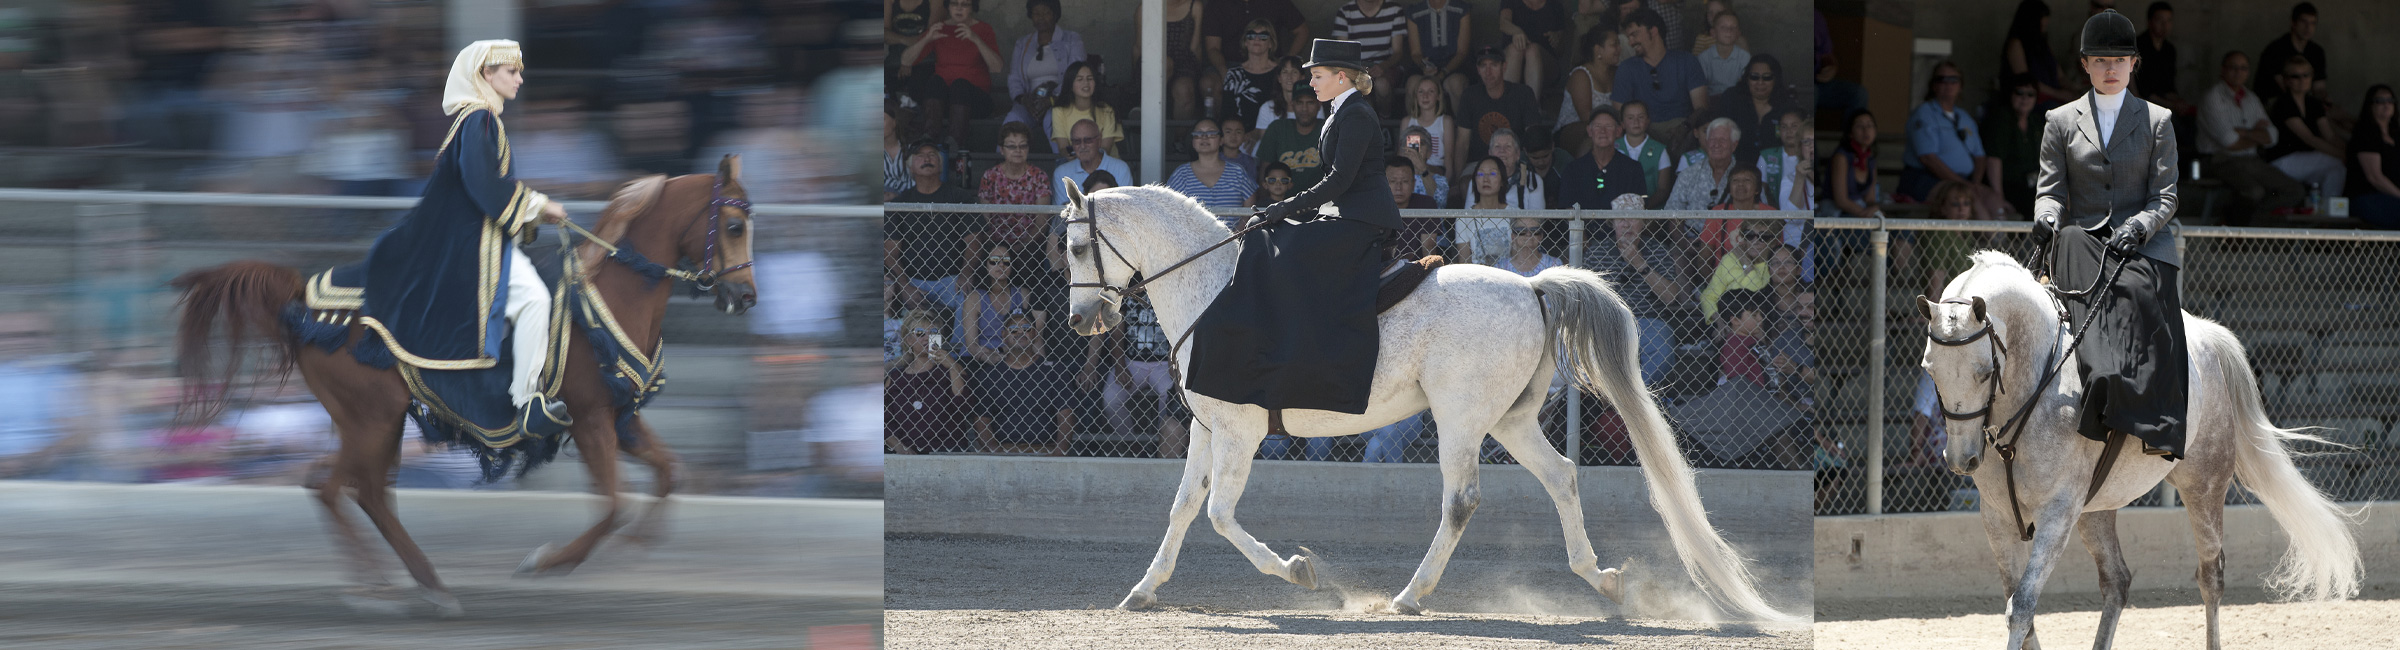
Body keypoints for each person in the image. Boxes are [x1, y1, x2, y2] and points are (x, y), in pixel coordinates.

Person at [362, 40, 571, 435]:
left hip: (475, 241)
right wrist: (539, 205)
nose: (520, 79)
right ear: (485, 75)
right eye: (511, 71)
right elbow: (483, 184)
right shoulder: (480, 119)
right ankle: (527, 402)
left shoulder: (477, 120)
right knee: (535, 298)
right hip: (471, 249)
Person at [1188, 39, 1403, 417]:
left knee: (1279, 248)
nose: (1311, 84)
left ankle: (1291, 357)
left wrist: (1286, 206)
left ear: (1341, 76)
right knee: (1260, 229)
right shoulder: (1340, 110)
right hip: (1343, 213)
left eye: (1317, 76)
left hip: (1361, 221)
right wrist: (1287, 210)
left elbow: (1339, 181)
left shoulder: (1355, 114)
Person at [2031, 9, 2184, 458]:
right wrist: (2046, 216)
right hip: (2083, 238)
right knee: (2073, 241)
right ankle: (2098, 382)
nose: (2111, 68)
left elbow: (2166, 197)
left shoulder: (2157, 120)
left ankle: (2156, 423)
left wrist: (2138, 226)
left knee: (2138, 292)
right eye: (2100, 60)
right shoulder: (2059, 120)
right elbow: (2051, 191)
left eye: (2119, 60)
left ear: (2134, 63)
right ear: (2085, 65)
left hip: (2142, 242)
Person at [2197, 51, 2302, 224]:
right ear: (2223, 70)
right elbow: (2229, 141)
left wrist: (2243, 133)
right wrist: (2256, 135)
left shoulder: (2251, 98)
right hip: (2219, 160)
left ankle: (2249, 224)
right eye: (2233, 68)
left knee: (2295, 190)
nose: (2239, 72)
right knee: (2254, 191)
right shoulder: (2213, 97)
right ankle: (2236, 229)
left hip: (2251, 159)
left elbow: (2273, 137)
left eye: (2243, 68)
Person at [1082, 291, 1189, 458]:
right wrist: (1120, 366)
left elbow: (1177, 330)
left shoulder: (1167, 289)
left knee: (1168, 397)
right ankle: (1135, 448)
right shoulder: (1127, 290)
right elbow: (1117, 332)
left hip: (1163, 363)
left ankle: (1164, 446)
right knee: (1111, 400)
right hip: (1132, 361)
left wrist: (1173, 363)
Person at [1583, 217, 1687, 382]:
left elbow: (1670, 296)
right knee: (1585, 349)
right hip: (1607, 320)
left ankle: (1636, 398)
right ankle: (1605, 399)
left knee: (1662, 349)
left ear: (1644, 223)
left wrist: (1639, 263)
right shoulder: (1597, 251)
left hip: (1648, 320)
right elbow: (1585, 298)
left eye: (1633, 218)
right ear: (1613, 223)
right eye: (1620, 219)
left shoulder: (1658, 249)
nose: (1626, 224)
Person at [888, 141, 983, 311]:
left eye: (932, 154)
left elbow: (974, 241)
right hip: (913, 279)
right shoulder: (900, 204)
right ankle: (925, 339)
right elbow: (890, 252)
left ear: (940, 165)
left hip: (951, 280)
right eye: (920, 156)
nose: (927, 158)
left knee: (968, 298)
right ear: (910, 167)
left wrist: (966, 273)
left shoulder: (959, 197)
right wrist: (904, 285)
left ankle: (957, 340)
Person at [898, 0, 1002, 149]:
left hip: (975, 103)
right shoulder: (941, 28)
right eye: (954, 4)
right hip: (944, 103)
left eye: (965, 4)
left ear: (973, 7)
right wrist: (927, 38)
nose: (959, 8)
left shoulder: (983, 29)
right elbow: (905, 60)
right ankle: (929, 137)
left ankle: (954, 142)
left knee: (960, 84)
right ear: (948, 6)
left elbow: (997, 67)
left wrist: (976, 39)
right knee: (935, 81)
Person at [972, 311, 1077, 455]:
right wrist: (998, 455)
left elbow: (1065, 415)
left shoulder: (1055, 371)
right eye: (1013, 329)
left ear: (1034, 334)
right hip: (1004, 451)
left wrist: (1058, 454)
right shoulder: (989, 375)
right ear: (1004, 335)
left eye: (1026, 328)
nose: (1020, 332)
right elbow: (982, 421)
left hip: (1046, 451)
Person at [1613, 8, 1709, 154]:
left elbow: (1701, 109)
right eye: (1629, 37)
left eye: (1634, 35)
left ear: (1653, 31)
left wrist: (1684, 128)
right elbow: (1621, 114)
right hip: (1644, 129)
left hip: (1683, 126)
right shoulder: (1626, 69)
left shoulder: (1687, 61)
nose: (1631, 42)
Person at [1899, 61, 1990, 205]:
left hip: (1966, 181)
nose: (1948, 84)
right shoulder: (1924, 114)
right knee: (1969, 202)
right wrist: (1964, 185)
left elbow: (1979, 156)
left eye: (1953, 80)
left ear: (1961, 85)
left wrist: (1975, 183)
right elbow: (1928, 158)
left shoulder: (1965, 117)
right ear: (1933, 85)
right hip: (1926, 179)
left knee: (1997, 204)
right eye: (1941, 79)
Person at [885, 310, 972, 454]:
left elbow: (962, 404)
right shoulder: (896, 378)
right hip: (908, 453)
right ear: (909, 340)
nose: (927, 337)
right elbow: (884, 420)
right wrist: (900, 447)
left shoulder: (950, 370)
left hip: (947, 451)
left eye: (933, 332)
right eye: (920, 333)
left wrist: (951, 365)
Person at [2261, 55, 2343, 201]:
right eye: (2295, 76)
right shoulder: (2283, 103)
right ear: (2286, 80)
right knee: (2336, 162)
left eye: (2306, 75)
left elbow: (2330, 136)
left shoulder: (2314, 103)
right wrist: (2343, 156)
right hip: (2282, 161)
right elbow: (2309, 138)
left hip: (2306, 160)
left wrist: (2349, 152)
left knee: (2336, 171)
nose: (2302, 80)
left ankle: (2327, 216)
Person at [1001, 0, 1086, 130]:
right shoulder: (1022, 43)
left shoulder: (1072, 39)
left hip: (1061, 101)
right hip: (1029, 103)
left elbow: (1076, 74)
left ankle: (1062, 151)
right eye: (1036, 13)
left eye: (1046, 13)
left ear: (1055, 15)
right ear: (1031, 16)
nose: (1041, 18)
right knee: (1012, 122)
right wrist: (1024, 100)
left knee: (1054, 121)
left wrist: (1052, 100)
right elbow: (1014, 78)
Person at [958, 242, 1045, 367]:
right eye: (994, 261)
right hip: (979, 358)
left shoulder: (1024, 294)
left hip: (1016, 355)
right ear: (985, 264)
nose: (1001, 265)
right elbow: (972, 345)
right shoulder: (974, 298)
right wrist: (989, 356)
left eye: (1006, 261)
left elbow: (1034, 336)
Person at [1457, 46, 1543, 162]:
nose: (1488, 72)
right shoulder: (1469, 95)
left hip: (1515, 163)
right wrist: (1457, 178)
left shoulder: (1523, 94)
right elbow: (1462, 144)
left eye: (1494, 65)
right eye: (1483, 66)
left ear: (1504, 66)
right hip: (1479, 166)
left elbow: (1533, 138)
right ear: (1478, 69)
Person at [980, 122, 1054, 252]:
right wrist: (1000, 248)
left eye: (1023, 146)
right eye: (1011, 146)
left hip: (1030, 248)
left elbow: (1041, 223)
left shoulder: (1039, 177)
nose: (1018, 151)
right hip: (995, 246)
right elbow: (985, 220)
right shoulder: (990, 176)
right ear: (1002, 149)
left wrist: (1021, 247)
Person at [1559, 106, 1649, 210]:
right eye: (1597, 126)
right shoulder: (1573, 169)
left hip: (1621, 225)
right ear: (1589, 131)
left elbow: (1639, 207)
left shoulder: (1632, 168)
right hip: (1582, 226)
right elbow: (1566, 208)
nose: (1603, 131)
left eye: (1609, 126)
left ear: (1618, 131)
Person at [1983, 74, 2046, 216]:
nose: (2025, 98)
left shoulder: (2036, 122)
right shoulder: (2001, 119)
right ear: (2010, 94)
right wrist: (1999, 196)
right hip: (2009, 184)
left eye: (2030, 94)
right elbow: (1994, 159)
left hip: (2035, 183)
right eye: (2020, 93)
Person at [1332, 0, 1409, 114]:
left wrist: (1382, 67)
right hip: (1356, 68)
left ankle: (1385, 121)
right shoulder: (1345, 12)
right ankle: (1369, 124)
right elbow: (1344, 52)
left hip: (1386, 67)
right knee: (1359, 86)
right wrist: (1358, 69)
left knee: (1382, 86)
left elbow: (1398, 52)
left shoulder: (1394, 10)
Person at [1204, 0, 1309, 81]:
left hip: (1269, 64)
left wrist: (1286, 62)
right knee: (1209, 83)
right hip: (1230, 64)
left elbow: (1302, 31)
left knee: (1290, 78)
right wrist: (1224, 71)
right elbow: (1213, 48)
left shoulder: (1276, 2)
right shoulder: (1217, 3)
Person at [1168, 119, 1260, 212]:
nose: (1204, 137)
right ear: (1193, 142)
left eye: (1211, 133)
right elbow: (1170, 208)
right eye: (1198, 134)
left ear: (1221, 140)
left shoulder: (1238, 172)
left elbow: (1249, 211)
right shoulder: (1181, 174)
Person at [1711, 53, 1789, 161]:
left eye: (1767, 78)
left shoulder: (1786, 104)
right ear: (1747, 78)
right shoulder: (1732, 98)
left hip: (1774, 166)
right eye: (1754, 77)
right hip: (1736, 165)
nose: (1760, 82)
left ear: (1776, 79)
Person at [1138, 0, 1206, 120]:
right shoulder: (1146, 8)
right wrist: (1135, 78)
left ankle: (1178, 139)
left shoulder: (1194, 6)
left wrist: (1199, 76)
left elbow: (1195, 47)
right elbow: (1139, 47)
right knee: (1165, 63)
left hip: (1184, 63)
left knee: (1185, 90)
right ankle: (1146, 114)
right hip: (1153, 65)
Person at [1698, 218, 1776, 322]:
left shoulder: (1775, 263)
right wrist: (1719, 322)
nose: (1755, 241)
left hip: (1757, 321)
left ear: (1772, 242)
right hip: (1725, 319)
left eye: (1763, 237)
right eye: (1750, 236)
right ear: (1744, 239)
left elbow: (1755, 294)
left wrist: (1746, 264)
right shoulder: (1730, 259)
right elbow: (1708, 296)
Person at [1401, 0, 1474, 111]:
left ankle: (1461, 127)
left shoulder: (1462, 9)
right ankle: (1413, 127)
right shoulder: (1414, 12)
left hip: (1455, 66)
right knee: (1413, 84)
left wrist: (1443, 72)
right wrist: (1424, 66)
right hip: (1426, 67)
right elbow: (1416, 53)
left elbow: (1462, 53)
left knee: (1456, 84)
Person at [1220, 18, 1288, 139]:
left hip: (1276, 135)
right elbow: (1227, 114)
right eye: (1251, 35)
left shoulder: (1282, 72)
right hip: (1241, 139)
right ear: (1245, 42)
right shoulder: (1233, 75)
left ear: (1271, 43)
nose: (1256, 39)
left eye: (1263, 36)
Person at [1258, 81, 1330, 188]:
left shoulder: (1328, 129)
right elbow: (1264, 171)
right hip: (1282, 202)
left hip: (1320, 201)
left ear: (1319, 105)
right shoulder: (1277, 129)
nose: (1304, 109)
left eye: (1310, 102)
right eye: (1299, 103)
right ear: (1292, 104)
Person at [2346, 85, 2400, 228]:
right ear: (2370, 106)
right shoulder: (2365, 134)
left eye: (2390, 100)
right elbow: (2374, 178)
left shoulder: (2396, 135)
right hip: (2367, 198)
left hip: (2393, 198)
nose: (2386, 104)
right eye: (2380, 101)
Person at [2004, 0, 2073, 107]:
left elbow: (2060, 76)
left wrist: (2074, 91)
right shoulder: (2016, 45)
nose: (2044, 28)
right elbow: (2027, 82)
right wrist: (2060, 95)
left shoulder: (2043, 45)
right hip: (2034, 103)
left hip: (2056, 98)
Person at [1555, 24, 1621, 135]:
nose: (1619, 49)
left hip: (1609, 130)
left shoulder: (1617, 72)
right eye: (1615, 45)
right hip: (1574, 132)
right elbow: (1586, 117)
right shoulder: (1581, 75)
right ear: (1598, 50)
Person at [2252, 3, 2325, 101]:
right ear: (2293, 23)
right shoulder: (2276, 49)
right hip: (2273, 101)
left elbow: (2319, 87)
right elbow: (2288, 88)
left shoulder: (2316, 51)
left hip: (2303, 101)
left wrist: (2324, 101)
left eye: (2312, 23)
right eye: (2304, 22)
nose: (2308, 28)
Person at [1664, 117, 1740, 212]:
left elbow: (1760, 209)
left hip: (1734, 227)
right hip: (1693, 227)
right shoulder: (1688, 174)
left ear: (1734, 145)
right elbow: (1673, 212)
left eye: (1722, 140)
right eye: (1712, 139)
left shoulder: (1745, 175)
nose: (1716, 144)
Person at [1498, 0, 1570, 98]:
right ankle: (1507, 105)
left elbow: (1561, 51)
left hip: (1545, 67)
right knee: (1516, 49)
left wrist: (1556, 39)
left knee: (1532, 50)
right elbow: (1503, 23)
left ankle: (1533, 107)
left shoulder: (1555, 5)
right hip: (1513, 60)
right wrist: (1517, 32)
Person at [1048, 61, 1120, 156]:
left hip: (1105, 166)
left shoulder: (1107, 110)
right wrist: (1073, 157)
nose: (1086, 83)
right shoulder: (1059, 111)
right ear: (1070, 85)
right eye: (1080, 79)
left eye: (1090, 79)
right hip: (1075, 164)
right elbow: (1063, 148)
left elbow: (1105, 149)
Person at [1052, 119, 1132, 205]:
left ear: (1099, 140)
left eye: (1088, 140)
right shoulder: (1061, 173)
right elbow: (1061, 215)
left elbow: (1125, 209)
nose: (1082, 146)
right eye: (1077, 142)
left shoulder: (1121, 169)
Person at [1402, 75, 1465, 181]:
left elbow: (1449, 157)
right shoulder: (1407, 121)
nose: (1425, 96)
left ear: (1439, 96)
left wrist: (1447, 184)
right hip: (1412, 171)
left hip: (1436, 170)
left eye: (1431, 91)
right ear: (1415, 96)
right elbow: (1402, 154)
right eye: (1421, 92)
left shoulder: (1445, 121)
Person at [1457, 157, 1517, 264]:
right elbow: (1464, 261)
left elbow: (1518, 258)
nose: (1485, 179)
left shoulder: (1515, 215)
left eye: (1492, 174)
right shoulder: (1464, 218)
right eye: (1480, 174)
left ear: (1502, 180)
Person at [1385, 156, 1446, 260]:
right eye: (1392, 181)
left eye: (1404, 181)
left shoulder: (1426, 204)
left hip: (1416, 268)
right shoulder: (1375, 206)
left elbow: (1429, 248)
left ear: (1413, 183)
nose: (1398, 187)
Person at [1618, 101, 1676, 208]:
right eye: (1630, 118)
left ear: (1648, 121)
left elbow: (1663, 190)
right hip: (1616, 212)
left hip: (1650, 213)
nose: (1636, 122)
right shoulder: (1612, 148)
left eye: (1641, 117)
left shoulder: (1660, 150)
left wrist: (1642, 207)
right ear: (1622, 123)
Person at [1827, 109, 1883, 219]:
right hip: (1838, 215)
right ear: (1850, 133)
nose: (1866, 130)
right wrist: (1866, 214)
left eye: (1870, 125)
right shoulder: (1841, 157)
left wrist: (1875, 209)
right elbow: (1841, 200)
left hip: (1861, 214)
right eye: (1859, 126)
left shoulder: (1870, 160)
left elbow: (1870, 199)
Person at [1756, 108, 1813, 212]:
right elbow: (1759, 190)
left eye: (1794, 126)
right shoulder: (1767, 156)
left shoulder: (1810, 155)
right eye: (1784, 127)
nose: (1789, 131)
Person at [1488, 128, 1546, 210]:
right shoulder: (1479, 179)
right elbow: (1469, 217)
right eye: (1497, 146)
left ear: (1517, 154)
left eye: (1508, 146)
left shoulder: (1533, 180)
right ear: (1490, 154)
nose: (1502, 151)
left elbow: (1536, 219)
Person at [1695, 8, 1748, 96]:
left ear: (1738, 33)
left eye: (1733, 27)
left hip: (1735, 100)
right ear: (1713, 33)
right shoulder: (1704, 58)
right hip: (1711, 101)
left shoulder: (1744, 57)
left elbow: (1745, 87)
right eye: (1723, 27)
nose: (1729, 31)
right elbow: (1701, 88)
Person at [1396, 125, 1451, 203]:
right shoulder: (1392, 178)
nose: (1416, 148)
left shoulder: (1439, 180)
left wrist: (1422, 169)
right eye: (1411, 142)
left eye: (1421, 143)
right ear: (1402, 151)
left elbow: (1438, 202)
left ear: (1429, 152)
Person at [1495, 216, 1562, 276]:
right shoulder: (1501, 267)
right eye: (1522, 231)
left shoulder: (1553, 265)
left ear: (1541, 236)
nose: (1528, 234)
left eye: (1534, 231)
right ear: (1513, 237)